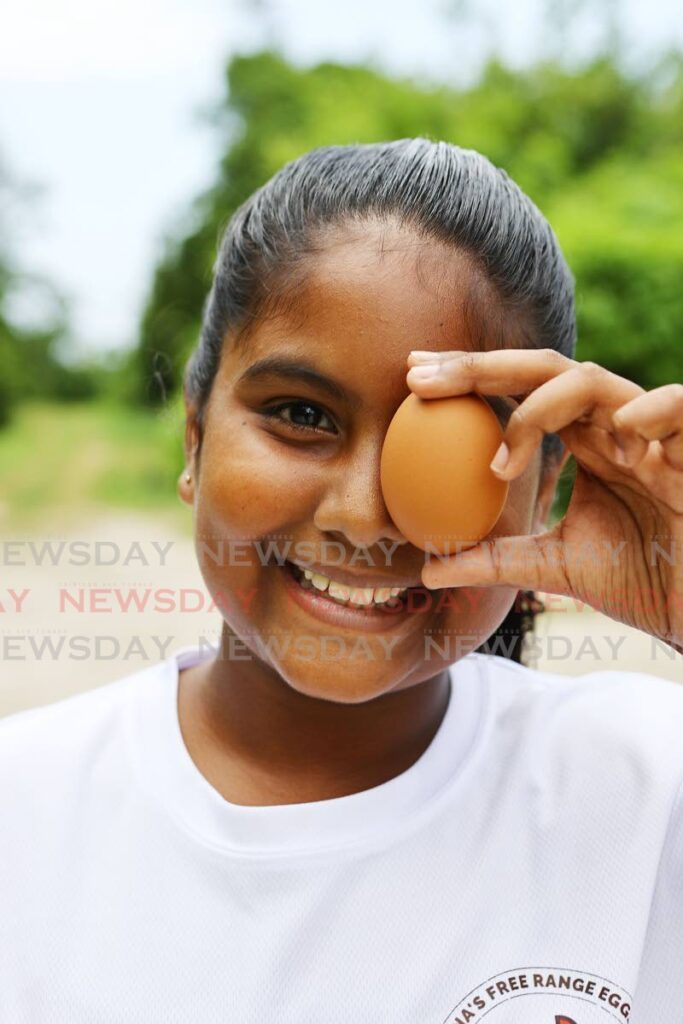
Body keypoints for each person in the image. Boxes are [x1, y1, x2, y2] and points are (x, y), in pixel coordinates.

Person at [1, 139, 681, 1023]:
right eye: (300, 416)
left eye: (461, 447)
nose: (362, 516)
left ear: (544, 484)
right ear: (195, 439)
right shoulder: (25, 809)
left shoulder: (643, 789)